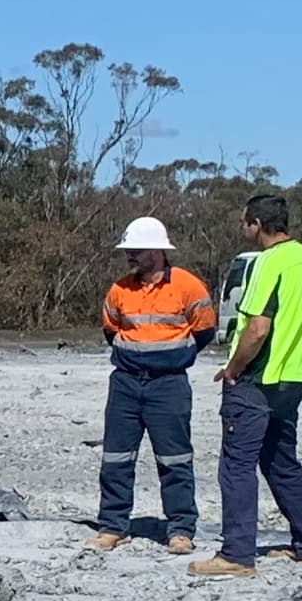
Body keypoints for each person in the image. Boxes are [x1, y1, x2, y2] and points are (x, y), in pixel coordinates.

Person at [193, 191, 302, 577]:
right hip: (294, 379)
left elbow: (257, 327)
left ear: (256, 224)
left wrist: (233, 368)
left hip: (257, 379)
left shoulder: (268, 263)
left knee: (236, 465)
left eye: (244, 222)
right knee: (282, 462)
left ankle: (236, 555)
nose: (242, 228)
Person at [89, 216, 214, 553]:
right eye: (128, 250)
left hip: (168, 386)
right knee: (116, 458)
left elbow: (204, 332)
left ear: (158, 251)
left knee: (175, 459)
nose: (130, 255)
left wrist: (172, 358)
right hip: (126, 384)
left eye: (137, 250)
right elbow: (110, 330)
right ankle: (113, 525)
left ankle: (181, 529)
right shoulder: (119, 289)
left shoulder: (188, 287)